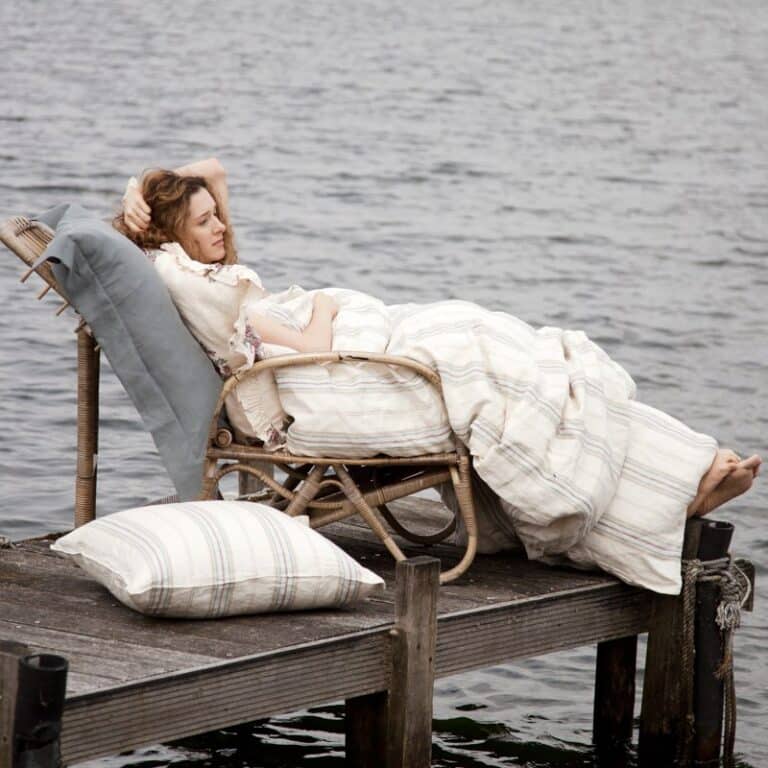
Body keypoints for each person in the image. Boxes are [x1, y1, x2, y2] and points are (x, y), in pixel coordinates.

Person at [115, 158, 761, 524]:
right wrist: (323, 313)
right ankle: (684, 480)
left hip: (351, 345)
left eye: (217, 217)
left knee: (517, 353)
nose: (222, 227)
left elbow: (213, 171)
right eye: (205, 222)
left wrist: (140, 187)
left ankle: (688, 468)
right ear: (174, 235)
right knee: (494, 357)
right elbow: (304, 340)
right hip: (330, 372)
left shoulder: (203, 268)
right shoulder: (201, 286)